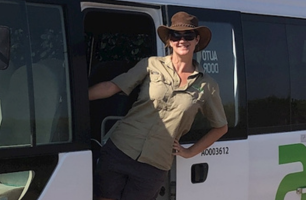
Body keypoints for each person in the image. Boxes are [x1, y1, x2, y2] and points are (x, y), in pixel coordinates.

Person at [89, 11, 228, 200]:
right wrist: (73, 100)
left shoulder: (207, 85)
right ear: (169, 41)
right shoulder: (150, 65)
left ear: (197, 40)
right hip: (120, 150)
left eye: (188, 35)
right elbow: (112, 86)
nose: (182, 40)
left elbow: (221, 127)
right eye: (175, 35)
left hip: (154, 166)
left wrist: (190, 152)